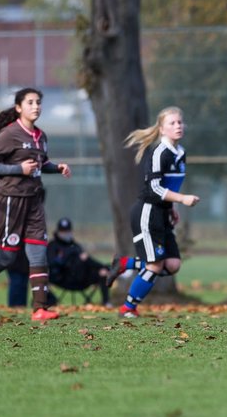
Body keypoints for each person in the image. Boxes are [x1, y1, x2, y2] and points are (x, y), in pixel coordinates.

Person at [0, 88, 71, 321]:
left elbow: (40, 163)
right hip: (9, 202)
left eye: (38, 102)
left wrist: (57, 168)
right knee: (7, 257)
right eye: (30, 102)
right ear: (19, 107)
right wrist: (19, 169)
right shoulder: (9, 134)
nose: (35, 106)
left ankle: (39, 309)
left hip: (34, 200)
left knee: (38, 254)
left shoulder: (41, 136)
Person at [105, 107, 200, 318]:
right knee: (155, 265)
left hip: (163, 213)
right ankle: (128, 308)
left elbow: (170, 186)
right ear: (162, 129)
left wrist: (173, 207)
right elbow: (154, 189)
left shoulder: (181, 153)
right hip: (147, 213)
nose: (178, 126)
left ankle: (125, 263)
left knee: (173, 265)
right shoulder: (159, 152)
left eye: (180, 122)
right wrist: (182, 199)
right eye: (172, 123)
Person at [48, 217, 111, 305]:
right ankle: (107, 267)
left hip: (80, 278)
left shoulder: (74, 245)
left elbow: (86, 260)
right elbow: (52, 263)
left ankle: (106, 302)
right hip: (63, 279)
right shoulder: (52, 246)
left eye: (67, 231)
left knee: (101, 272)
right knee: (83, 259)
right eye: (63, 232)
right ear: (58, 232)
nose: (66, 234)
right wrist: (70, 257)